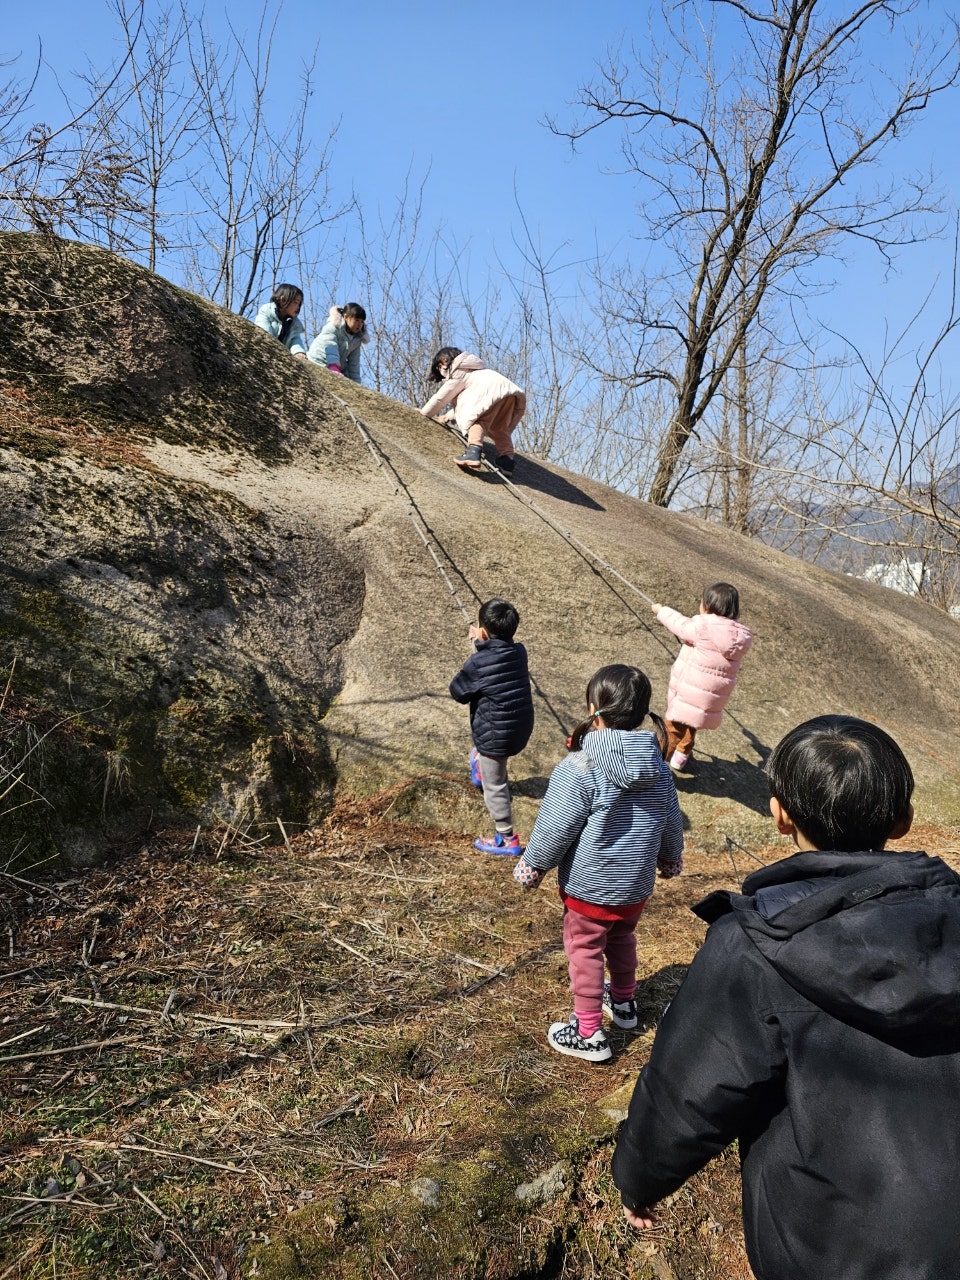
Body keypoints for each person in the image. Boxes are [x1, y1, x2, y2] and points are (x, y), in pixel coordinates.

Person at [612, 714, 960, 1280]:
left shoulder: (754, 946)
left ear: (779, 814)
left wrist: (638, 1176)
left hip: (828, 1247)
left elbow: (692, 1088)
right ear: (903, 820)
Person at [513, 665, 683, 1064]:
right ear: (642, 714)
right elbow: (671, 818)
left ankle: (588, 1031)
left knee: (585, 949)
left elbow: (557, 824)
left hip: (590, 888)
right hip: (635, 888)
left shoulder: (581, 766)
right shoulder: (658, 767)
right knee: (622, 939)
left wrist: (533, 865)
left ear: (594, 708)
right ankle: (624, 1005)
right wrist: (670, 857)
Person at [449, 599, 534, 856]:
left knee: (495, 784)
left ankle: (506, 837)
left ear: (484, 630)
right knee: (481, 754)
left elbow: (458, 692)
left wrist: (477, 649)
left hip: (496, 738)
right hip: (520, 728)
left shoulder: (478, 663)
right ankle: (480, 765)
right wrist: (481, 641)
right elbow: (495, 658)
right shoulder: (519, 651)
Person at [651, 581, 752, 772]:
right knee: (692, 721)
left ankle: (654, 768)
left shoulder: (702, 626)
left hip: (689, 693)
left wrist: (660, 610)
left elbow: (679, 624)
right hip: (709, 700)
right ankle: (681, 756)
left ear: (707, 606)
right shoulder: (740, 636)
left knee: (672, 729)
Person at [420, 347, 526, 475]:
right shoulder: (476, 370)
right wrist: (448, 416)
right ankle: (508, 460)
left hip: (488, 392)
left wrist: (425, 412)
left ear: (443, 363)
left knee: (478, 420)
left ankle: (473, 452)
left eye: (439, 367)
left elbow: (440, 399)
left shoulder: (458, 372)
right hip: (508, 393)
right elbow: (466, 404)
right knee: (500, 427)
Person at [307, 303, 370, 382]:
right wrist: (334, 366)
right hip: (318, 360)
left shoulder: (357, 338)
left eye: (362, 322)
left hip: (336, 366)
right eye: (357, 320)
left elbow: (354, 363)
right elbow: (331, 346)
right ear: (346, 317)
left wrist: (357, 384)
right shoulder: (333, 327)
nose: (360, 324)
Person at [253, 284, 308, 358]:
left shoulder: (294, 324)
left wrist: (298, 352)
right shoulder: (266, 311)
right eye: (296, 302)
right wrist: (269, 342)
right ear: (283, 300)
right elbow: (263, 330)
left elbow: (295, 340)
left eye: (299, 304)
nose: (298, 307)